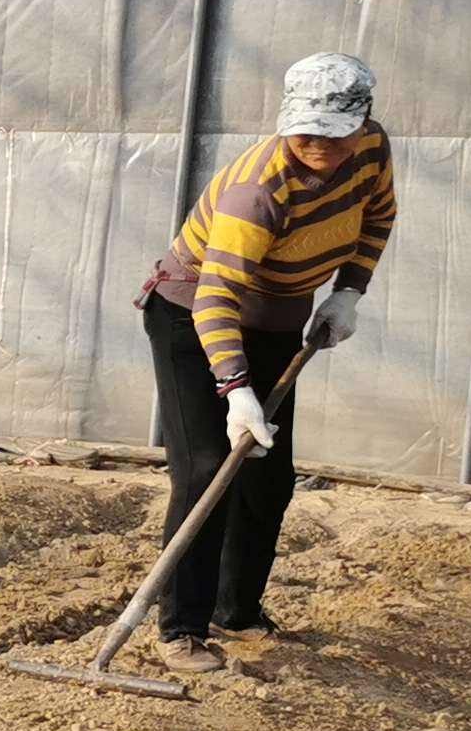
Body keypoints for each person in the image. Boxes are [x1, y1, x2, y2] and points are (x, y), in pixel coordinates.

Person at [133, 51, 393, 674]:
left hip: (277, 315)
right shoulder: (259, 190)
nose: (318, 146)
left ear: (361, 123)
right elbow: (217, 298)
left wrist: (348, 291)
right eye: (304, 131)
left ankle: (238, 612)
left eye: (333, 134)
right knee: (204, 472)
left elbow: (377, 217)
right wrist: (236, 392)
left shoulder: (372, 150)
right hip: (192, 318)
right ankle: (180, 630)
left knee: (268, 476)